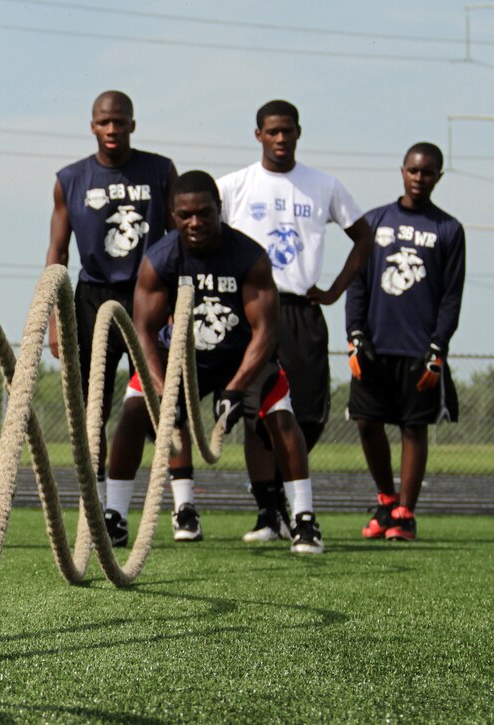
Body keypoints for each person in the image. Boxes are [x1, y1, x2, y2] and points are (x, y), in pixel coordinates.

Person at [106, 171, 323, 554]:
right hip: (182, 359)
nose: (195, 223)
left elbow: (266, 331)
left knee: (279, 412)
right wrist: (161, 390)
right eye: (185, 215)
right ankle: (116, 517)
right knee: (134, 409)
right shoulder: (159, 259)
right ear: (172, 215)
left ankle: (304, 519)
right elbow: (143, 330)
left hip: (242, 358)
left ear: (219, 209)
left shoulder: (249, 256)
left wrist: (238, 387)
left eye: (204, 213)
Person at [217, 99, 373, 542]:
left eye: (288, 131)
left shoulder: (322, 185)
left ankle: (291, 502)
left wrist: (336, 289)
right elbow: (198, 226)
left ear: (298, 133)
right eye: (272, 131)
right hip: (249, 312)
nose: (281, 139)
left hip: (300, 311)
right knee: (255, 416)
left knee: (304, 417)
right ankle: (272, 515)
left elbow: (363, 236)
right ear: (258, 135)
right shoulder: (234, 186)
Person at [45, 90, 176, 535]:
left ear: (132, 125)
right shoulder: (71, 178)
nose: (112, 130)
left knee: (162, 403)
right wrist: (52, 318)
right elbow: (58, 250)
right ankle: (98, 508)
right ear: (92, 126)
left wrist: (177, 305)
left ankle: (183, 506)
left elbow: (179, 243)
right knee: (89, 411)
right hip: (92, 298)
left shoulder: (160, 171)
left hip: (148, 296)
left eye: (120, 122)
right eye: (104, 122)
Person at [346, 142, 464, 541]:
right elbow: (357, 283)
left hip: (419, 349)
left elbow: (451, 295)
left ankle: (405, 514)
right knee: (366, 422)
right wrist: (354, 336)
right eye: (413, 171)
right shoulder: (375, 220)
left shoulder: (449, 229)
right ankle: (385, 501)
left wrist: (438, 348)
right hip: (375, 346)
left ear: (438, 178)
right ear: (402, 171)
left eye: (428, 173)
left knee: (415, 428)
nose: (419, 178)